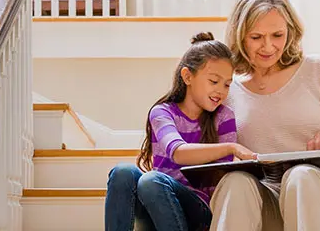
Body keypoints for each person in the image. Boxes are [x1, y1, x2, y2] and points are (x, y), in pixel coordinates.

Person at [209, 0, 320, 231]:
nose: (268, 46)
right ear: (240, 35)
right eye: (256, 37)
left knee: (302, 176)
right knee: (235, 182)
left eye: (277, 35)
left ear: (290, 31)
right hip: (265, 199)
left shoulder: (317, 71)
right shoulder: (228, 89)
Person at [104, 32, 257, 231]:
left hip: (198, 210)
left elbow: (219, 180)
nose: (221, 90)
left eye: (227, 84)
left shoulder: (224, 117)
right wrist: (232, 147)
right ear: (187, 76)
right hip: (156, 199)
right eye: (213, 81)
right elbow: (177, 152)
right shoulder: (162, 113)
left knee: (151, 180)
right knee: (123, 172)